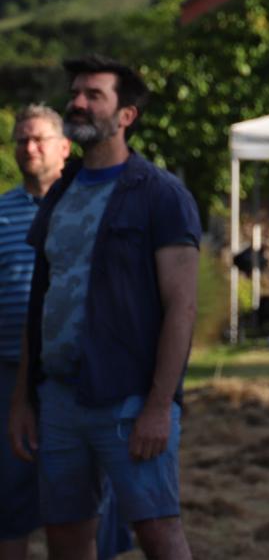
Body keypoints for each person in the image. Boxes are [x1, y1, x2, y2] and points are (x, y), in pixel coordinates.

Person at [7, 55, 201, 560]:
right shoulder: (61, 192)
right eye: (75, 92)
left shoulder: (161, 195)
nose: (78, 102)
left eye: (94, 95)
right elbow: (42, 302)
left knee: (158, 532)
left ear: (125, 115)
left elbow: (181, 308)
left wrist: (160, 406)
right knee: (66, 535)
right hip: (60, 400)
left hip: (129, 401)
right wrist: (26, 398)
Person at [1, 105, 132, 560]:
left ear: (64, 147)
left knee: (93, 492)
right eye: (21, 140)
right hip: (9, 369)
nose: (28, 148)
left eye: (37, 139)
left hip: (80, 369)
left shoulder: (88, 204)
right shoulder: (1, 213)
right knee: (9, 491)